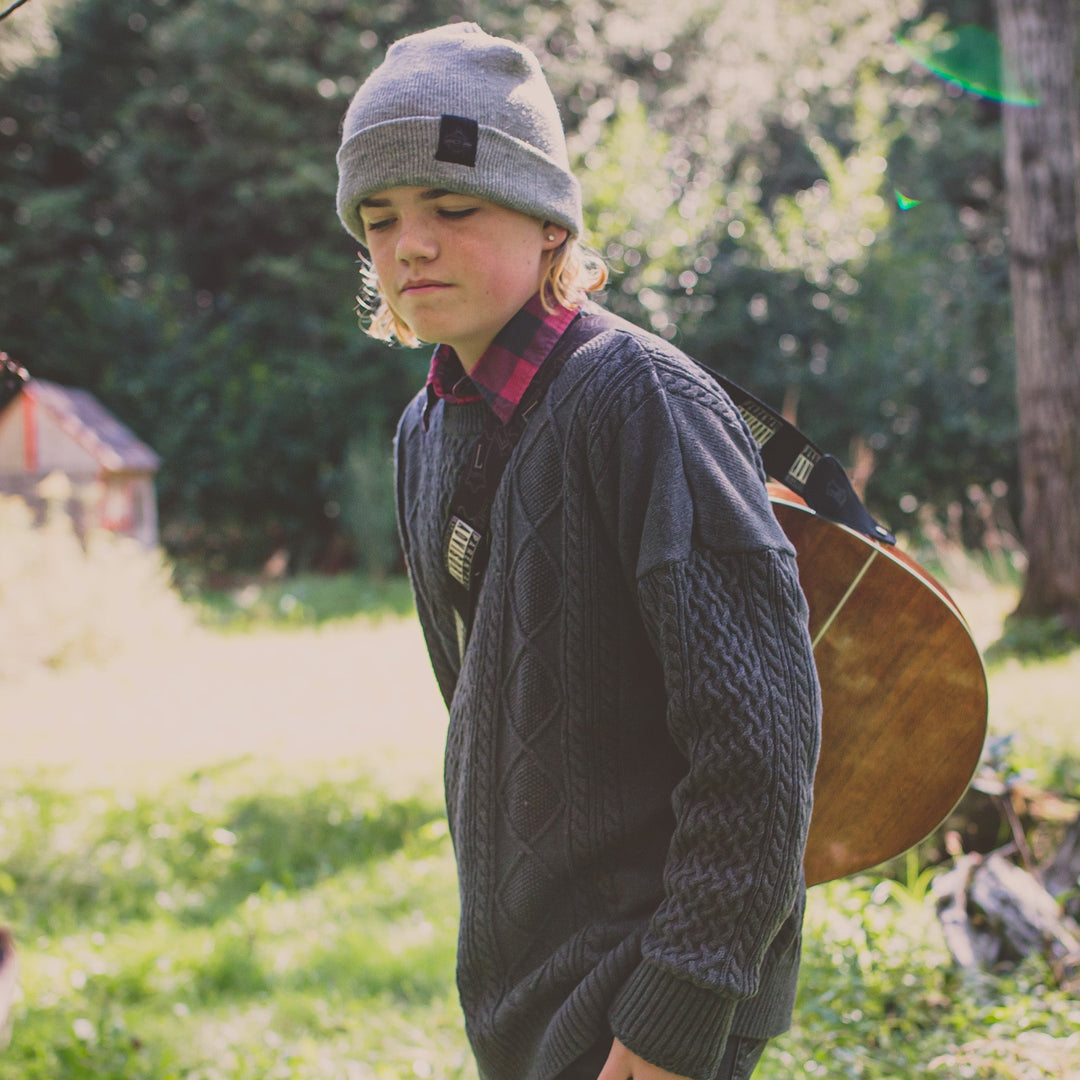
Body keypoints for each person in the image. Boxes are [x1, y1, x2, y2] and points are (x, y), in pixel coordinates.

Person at [335, 22, 821, 1080]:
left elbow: (761, 740)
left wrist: (677, 1004)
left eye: (452, 208)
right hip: (519, 987)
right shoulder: (425, 431)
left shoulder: (641, 399)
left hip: (650, 992)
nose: (409, 245)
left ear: (550, 221)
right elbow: (477, 704)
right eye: (379, 220)